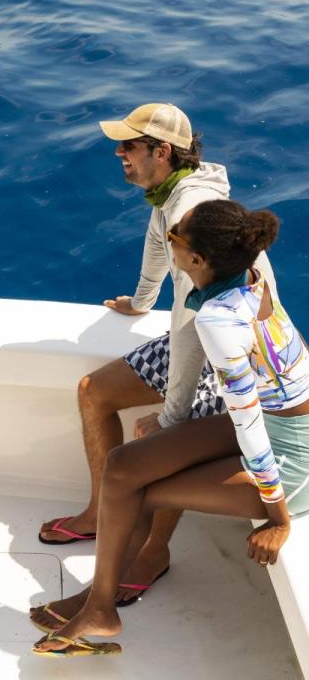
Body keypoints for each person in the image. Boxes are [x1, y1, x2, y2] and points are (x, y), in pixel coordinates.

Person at [32, 199, 309, 657]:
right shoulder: (249, 269)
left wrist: (277, 521)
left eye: (175, 238)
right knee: (124, 466)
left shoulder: (220, 320)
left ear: (197, 261)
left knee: (142, 486)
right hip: (277, 420)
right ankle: (101, 602)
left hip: (290, 459)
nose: (171, 242)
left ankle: (99, 602)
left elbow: (249, 424)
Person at [35, 102, 276, 616]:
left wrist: (173, 414)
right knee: (93, 392)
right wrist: (142, 303)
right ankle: (100, 513)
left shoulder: (191, 207)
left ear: (161, 151)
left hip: (229, 350)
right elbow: (157, 249)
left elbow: (194, 326)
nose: (118, 154)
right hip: (200, 333)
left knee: (158, 440)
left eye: (129, 145)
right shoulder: (168, 194)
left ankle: (153, 553)